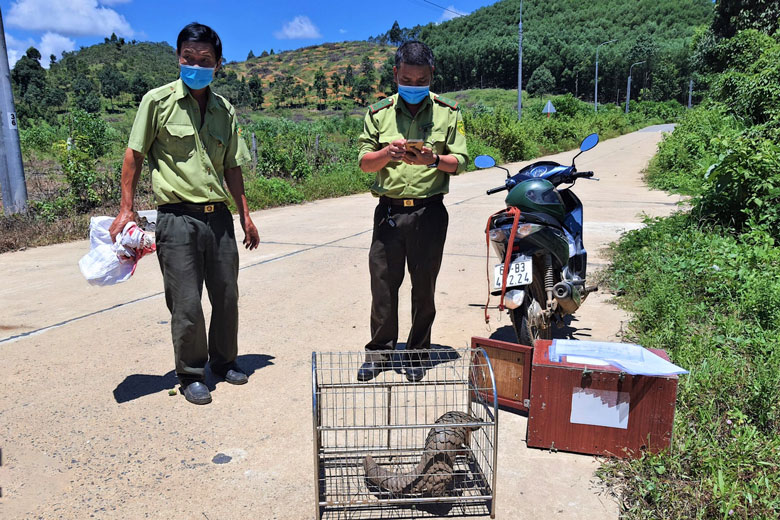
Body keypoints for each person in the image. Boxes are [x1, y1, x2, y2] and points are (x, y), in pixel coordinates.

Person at [108, 22, 259, 405]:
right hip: (176, 218)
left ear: (218, 63)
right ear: (179, 58)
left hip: (219, 218)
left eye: (204, 59)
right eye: (188, 58)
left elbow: (233, 168)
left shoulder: (225, 110)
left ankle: (224, 362)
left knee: (226, 295)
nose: (195, 65)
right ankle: (191, 372)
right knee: (186, 301)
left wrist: (245, 215)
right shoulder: (156, 102)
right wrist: (126, 208)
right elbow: (134, 155)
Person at [356, 41, 469, 383]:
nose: (414, 85)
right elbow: (364, 163)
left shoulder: (448, 112)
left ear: (431, 75)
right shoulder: (378, 114)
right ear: (396, 74)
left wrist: (433, 159)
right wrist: (387, 153)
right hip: (388, 213)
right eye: (407, 78)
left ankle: (418, 353)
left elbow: (459, 162)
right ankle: (379, 353)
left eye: (421, 80)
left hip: (429, 214)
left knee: (424, 288)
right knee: (383, 286)